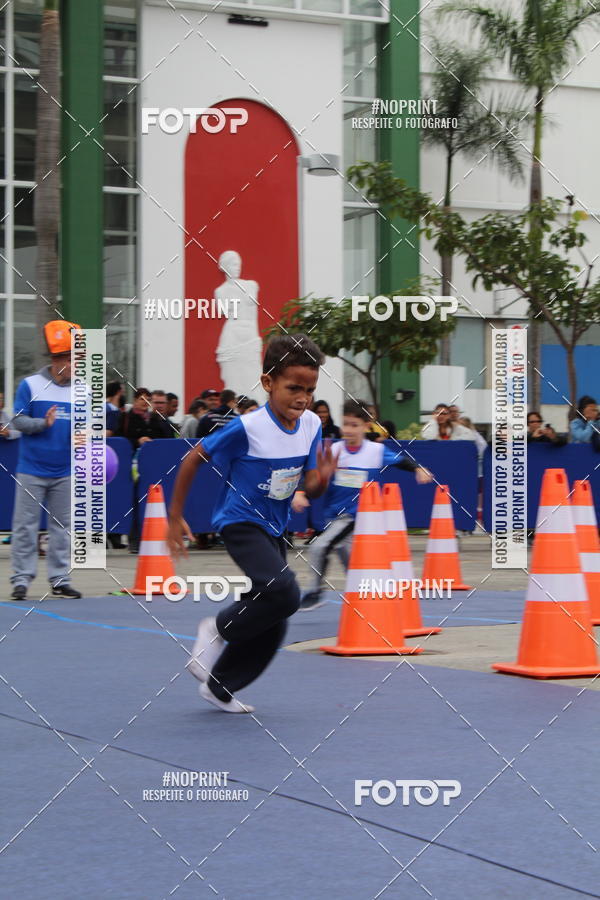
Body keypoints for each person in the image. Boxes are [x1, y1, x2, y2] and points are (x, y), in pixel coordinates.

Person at [167, 333, 336, 713]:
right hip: (240, 521)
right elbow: (193, 458)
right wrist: (175, 517)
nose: (302, 398)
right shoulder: (248, 427)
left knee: (276, 613)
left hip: (275, 526)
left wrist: (321, 478)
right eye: (293, 387)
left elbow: (309, 484)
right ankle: (215, 630)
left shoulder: (310, 424)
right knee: (284, 592)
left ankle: (220, 686)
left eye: (309, 390)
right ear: (267, 383)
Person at [294, 399, 433, 611]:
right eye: (345, 424)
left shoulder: (375, 451)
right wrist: (301, 492)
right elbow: (312, 472)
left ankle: (315, 592)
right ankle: (379, 608)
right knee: (356, 569)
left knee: (318, 547)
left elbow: (402, 460)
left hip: (355, 516)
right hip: (334, 516)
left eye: (354, 425)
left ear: (366, 426)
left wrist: (418, 469)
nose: (348, 430)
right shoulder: (334, 449)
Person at [9, 320, 82, 601]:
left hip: (65, 470)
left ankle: (60, 579)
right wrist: (43, 423)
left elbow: (87, 424)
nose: (76, 365)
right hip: (32, 469)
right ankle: (21, 580)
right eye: (72, 359)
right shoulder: (30, 385)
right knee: (25, 527)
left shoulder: (83, 391)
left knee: (62, 528)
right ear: (58, 359)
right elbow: (18, 420)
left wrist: (84, 434)